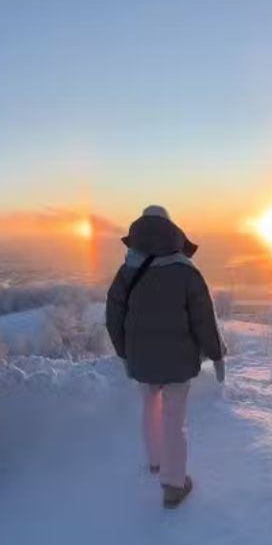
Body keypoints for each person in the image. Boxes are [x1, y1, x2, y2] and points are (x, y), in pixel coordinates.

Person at [106, 205, 225, 508]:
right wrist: (216, 354)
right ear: (171, 231)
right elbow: (203, 319)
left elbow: (113, 316)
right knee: (174, 418)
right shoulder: (186, 271)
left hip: (141, 358)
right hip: (178, 360)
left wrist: (124, 352)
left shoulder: (126, 271)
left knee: (149, 406)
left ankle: (156, 461)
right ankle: (173, 484)